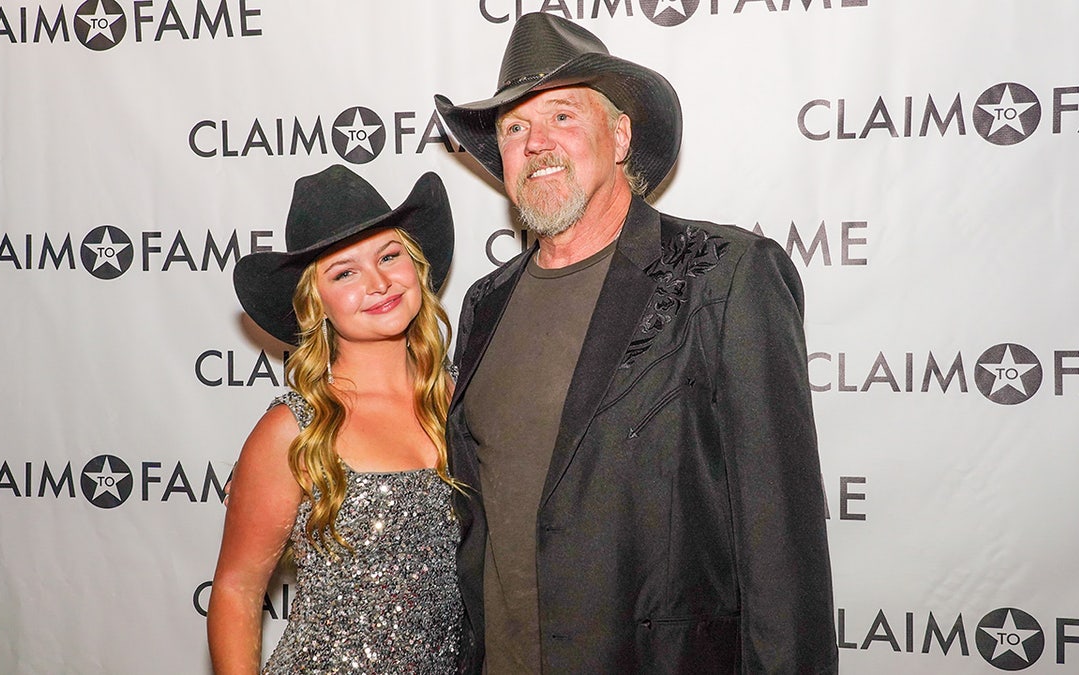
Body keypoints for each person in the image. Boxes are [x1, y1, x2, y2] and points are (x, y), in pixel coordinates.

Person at [434, 13, 837, 674]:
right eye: (514, 128)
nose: (536, 143)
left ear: (619, 135)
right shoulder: (486, 302)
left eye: (562, 116)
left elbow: (781, 549)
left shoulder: (728, 274)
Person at [207, 165, 463, 673]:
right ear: (315, 303)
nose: (380, 282)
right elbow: (237, 589)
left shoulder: (464, 396)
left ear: (416, 267)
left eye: (390, 256)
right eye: (345, 273)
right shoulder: (294, 429)